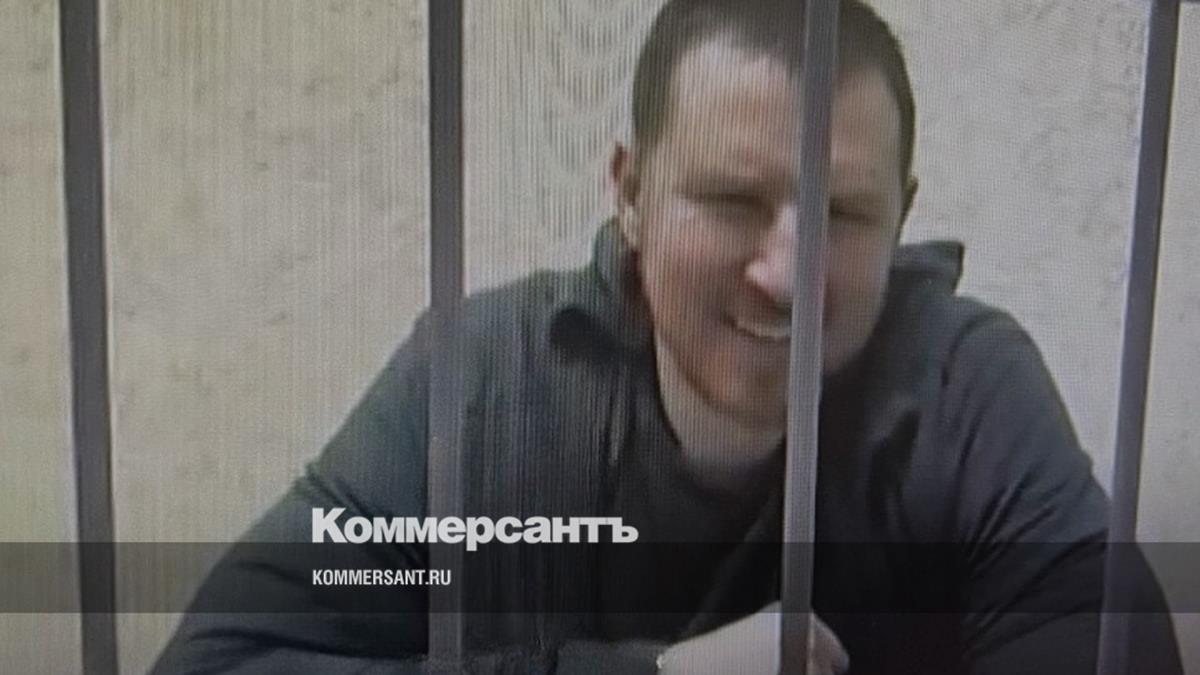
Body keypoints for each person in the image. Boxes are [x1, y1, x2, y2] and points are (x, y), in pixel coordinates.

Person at [153, 1, 1182, 673]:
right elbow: (223, 662)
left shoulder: (966, 394)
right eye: (732, 201)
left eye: (845, 214)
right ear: (630, 190)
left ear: (903, 215)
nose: (786, 275)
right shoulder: (483, 383)